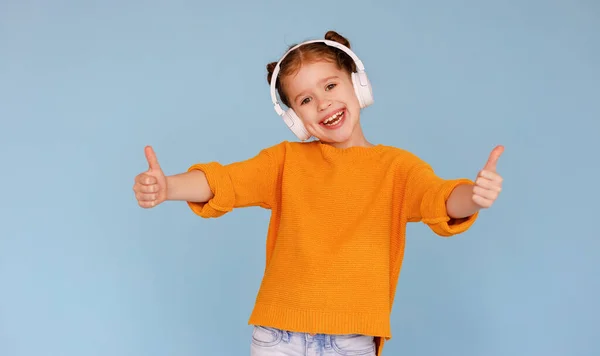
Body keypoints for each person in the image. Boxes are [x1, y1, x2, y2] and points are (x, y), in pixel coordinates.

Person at [132, 30, 504, 356]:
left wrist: (474, 195)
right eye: (305, 100)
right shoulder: (285, 161)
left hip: (352, 338)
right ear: (295, 119)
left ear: (358, 86)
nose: (323, 102)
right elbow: (225, 182)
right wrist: (170, 187)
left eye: (330, 86)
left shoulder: (398, 168)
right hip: (277, 335)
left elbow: (439, 199)